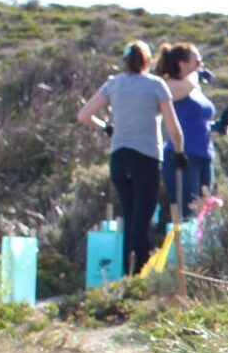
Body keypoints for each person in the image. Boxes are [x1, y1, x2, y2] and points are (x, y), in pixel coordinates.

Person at [76, 41, 185, 277]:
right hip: (145, 157)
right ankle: (139, 275)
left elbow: (84, 115)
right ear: (147, 61)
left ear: (125, 61)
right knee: (142, 219)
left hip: (119, 157)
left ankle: (128, 272)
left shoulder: (113, 84)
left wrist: (105, 127)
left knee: (129, 215)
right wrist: (179, 153)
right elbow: (173, 127)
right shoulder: (156, 85)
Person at [153, 43, 227, 225]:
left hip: (204, 157)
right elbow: (179, 94)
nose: (201, 65)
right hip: (183, 157)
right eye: (197, 61)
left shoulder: (194, 88)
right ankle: (182, 252)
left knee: (204, 212)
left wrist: (217, 126)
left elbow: (194, 121)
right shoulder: (169, 86)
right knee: (188, 213)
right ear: (182, 64)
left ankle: (198, 252)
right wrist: (197, 75)